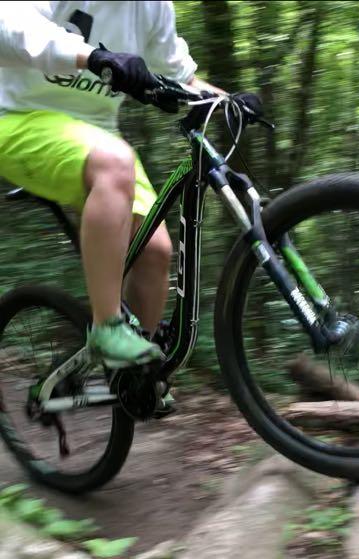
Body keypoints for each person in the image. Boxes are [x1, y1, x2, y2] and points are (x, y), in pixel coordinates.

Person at [0, 0, 221, 373]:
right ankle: (107, 326)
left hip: (97, 136)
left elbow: (180, 74)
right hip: (18, 118)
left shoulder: (153, 6)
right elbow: (9, 27)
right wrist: (92, 57)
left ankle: (137, 378)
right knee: (116, 162)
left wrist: (230, 102)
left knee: (155, 251)